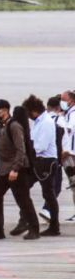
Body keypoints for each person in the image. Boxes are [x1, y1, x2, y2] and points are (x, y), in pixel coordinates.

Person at [0, 100, 39, 240]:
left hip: (16, 170)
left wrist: (15, 169)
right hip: (4, 170)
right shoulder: (2, 126)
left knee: (23, 200)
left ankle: (34, 229)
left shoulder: (14, 126)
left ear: (6, 110)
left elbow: (21, 150)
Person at [19, 95, 60, 236]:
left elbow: (41, 146)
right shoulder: (38, 122)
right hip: (38, 161)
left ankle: (54, 226)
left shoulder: (46, 122)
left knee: (48, 194)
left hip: (46, 162)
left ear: (34, 111)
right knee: (24, 188)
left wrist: (27, 148)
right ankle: (24, 220)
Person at [44, 95, 65, 221]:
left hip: (39, 157)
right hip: (54, 157)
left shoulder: (41, 119)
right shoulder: (60, 120)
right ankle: (46, 210)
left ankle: (24, 216)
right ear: (58, 107)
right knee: (55, 186)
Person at [60, 90, 75, 222]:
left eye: (63, 99)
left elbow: (69, 129)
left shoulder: (73, 113)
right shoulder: (69, 112)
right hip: (70, 152)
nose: (62, 102)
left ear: (71, 100)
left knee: (74, 183)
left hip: (72, 154)